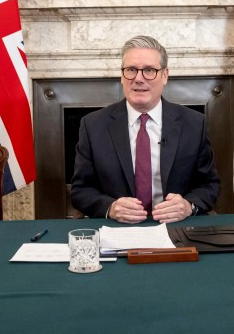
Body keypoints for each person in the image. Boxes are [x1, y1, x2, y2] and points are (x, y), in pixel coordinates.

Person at [71, 35, 220, 223]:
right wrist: (110, 208)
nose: (139, 79)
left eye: (149, 70)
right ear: (122, 75)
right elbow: (80, 190)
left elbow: (209, 185)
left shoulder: (194, 124)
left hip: (176, 228)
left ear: (165, 75)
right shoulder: (92, 125)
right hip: (117, 229)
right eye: (131, 70)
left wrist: (188, 206)